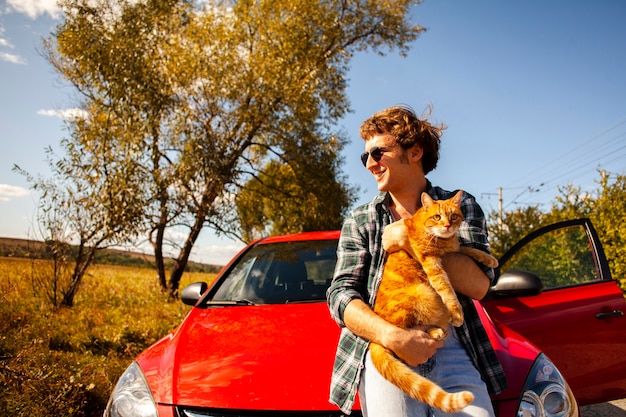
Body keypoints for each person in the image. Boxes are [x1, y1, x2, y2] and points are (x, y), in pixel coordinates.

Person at [326, 105, 507, 417]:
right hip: (385, 342)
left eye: (378, 152)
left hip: (451, 342)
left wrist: (411, 240)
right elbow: (340, 295)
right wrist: (392, 336)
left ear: (414, 152)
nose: (370, 163)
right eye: (365, 156)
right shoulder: (360, 219)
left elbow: (479, 286)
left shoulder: (459, 206)